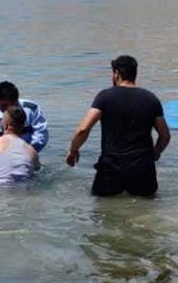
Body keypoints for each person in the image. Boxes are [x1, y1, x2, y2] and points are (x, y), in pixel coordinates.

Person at [65, 55, 171, 197]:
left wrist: (73, 151)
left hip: (112, 167)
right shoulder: (151, 99)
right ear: (135, 74)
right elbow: (165, 135)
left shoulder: (105, 97)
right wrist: (156, 152)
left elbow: (83, 129)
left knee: (104, 211)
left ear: (116, 73)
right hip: (143, 168)